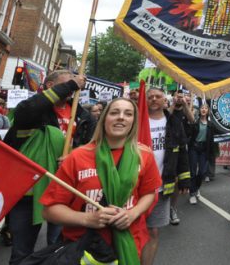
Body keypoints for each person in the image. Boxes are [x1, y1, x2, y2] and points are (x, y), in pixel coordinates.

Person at [40, 97, 161, 263]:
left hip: (130, 245)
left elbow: (149, 193)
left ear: (134, 122)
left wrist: (132, 214)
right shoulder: (77, 156)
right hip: (83, 249)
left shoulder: (144, 155)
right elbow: (49, 210)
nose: (121, 117)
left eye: (128, 114)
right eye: (114, 112)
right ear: (104, 119)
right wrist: (88, 219)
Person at [3, 70, 86, 265]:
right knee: (22, 253)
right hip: (28, 194)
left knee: (60, 250)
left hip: (64, 192)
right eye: (69, 83)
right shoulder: (35, 111)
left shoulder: (80, 113)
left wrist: (73, 157)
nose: (74, 87)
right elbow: (27, 110)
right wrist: (72, 85)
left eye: (76, 85)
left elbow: (89, 145)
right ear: (50, 86)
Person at [141, 87, 189, 265]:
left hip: (161, 187)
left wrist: (184, 178)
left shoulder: (175, 122)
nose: (154, 99)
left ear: (165, 100)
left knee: (153, 232)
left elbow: (182, 150)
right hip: (135, 187)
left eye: (158, 96)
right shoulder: (137, 121)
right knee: (132, 230)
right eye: (150, 96)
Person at [168, 90, 194, 225]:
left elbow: (192, 120)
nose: (179, 98)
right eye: (177, 96)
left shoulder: (185, 109)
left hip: (182, 149)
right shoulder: (168, 108)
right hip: (168, 149)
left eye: (181, 96)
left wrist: (184, 105)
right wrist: (173, 104)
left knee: (178, 180)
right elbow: (166, 117)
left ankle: (172, 208)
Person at [186, 102, 215, 204]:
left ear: (208, 111)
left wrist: (211, 154)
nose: (203, 109)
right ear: (199, 111)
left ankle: (196, 187)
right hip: (194, 148)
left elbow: (211, 140)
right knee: (193, 172)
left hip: (204, 150)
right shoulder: (195, 123)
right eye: (202, 108)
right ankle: (192, 193)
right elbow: (188, 133)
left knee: (202, 172)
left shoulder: (211, 125)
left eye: (205, 108)